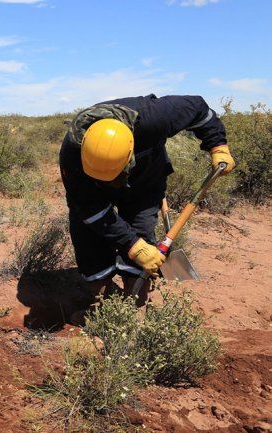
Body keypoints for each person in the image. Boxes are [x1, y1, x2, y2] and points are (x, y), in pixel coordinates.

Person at [59, 94, 235, 324]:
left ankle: (135, 308)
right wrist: (133, 247)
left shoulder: (155, 117)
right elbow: (91, 210)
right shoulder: (71, 154)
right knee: (87, 235)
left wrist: (217, 144)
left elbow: (200, 109)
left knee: (141, 229)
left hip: (146, 178)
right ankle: (101, 301)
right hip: (91, 189)